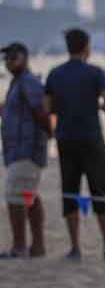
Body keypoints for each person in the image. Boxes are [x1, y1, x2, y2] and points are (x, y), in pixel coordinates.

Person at [44, 28, 105, 261]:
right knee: (100, 191)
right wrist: (94, 105)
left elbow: (47, 108)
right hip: (92, 139)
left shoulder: (55, 74)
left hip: (66, 139)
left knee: (70, 192)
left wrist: (65, 106)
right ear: (87, 46)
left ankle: (75, 248)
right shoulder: (95, 72)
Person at [0, 42, 50, 259]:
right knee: (29, 195)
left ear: (25, 58)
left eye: (13, 57)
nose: (9, 62)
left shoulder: (28, 81)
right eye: (6, 59)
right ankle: (37, 247)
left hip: (26, 149)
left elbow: (40, 110)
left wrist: (50, 133)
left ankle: (19, 247)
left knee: (15, 196)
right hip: (16, 150)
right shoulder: (16, 83)